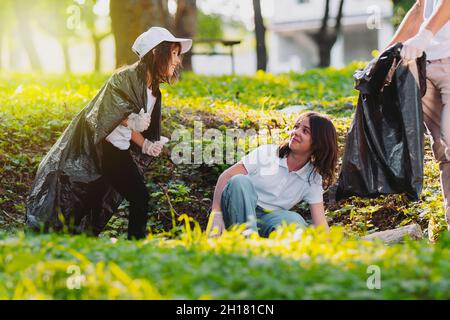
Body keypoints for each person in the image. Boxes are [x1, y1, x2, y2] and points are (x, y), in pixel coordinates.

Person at [26, 27, 192, 239]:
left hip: (119, 149)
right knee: (138, 196)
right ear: (156, 52)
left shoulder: (154, 93)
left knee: (90, 200)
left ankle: (68, 239)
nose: (177, 61)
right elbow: (104, 114)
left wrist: (146, 145)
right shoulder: (124, 78)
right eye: (174, 53)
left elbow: (129, 130)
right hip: (101, 149)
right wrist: (130, 119)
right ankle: (135, 248)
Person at [208, 112, 338, 237]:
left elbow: (320, 225)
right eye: (296, 126)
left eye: (305, 131)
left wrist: (332, 252)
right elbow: (226, 176)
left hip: (269, 220)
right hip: (237, 209)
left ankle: (269, 248)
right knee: (239, 181)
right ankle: (248, 246)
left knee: (295, 220)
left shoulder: (312, 178)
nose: (296, 132)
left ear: (318, 143)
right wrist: (216, 213)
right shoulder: (268, 153)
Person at [386, 0, 450, 230]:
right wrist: (385, 53)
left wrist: (425, 36)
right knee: (443, 151)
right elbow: (420, 8)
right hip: (426, 65)